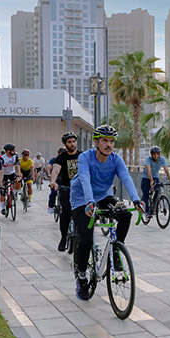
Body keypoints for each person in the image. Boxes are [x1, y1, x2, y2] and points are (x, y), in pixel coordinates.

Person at [69, 125, 142, 301]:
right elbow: (85, 179)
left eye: (111, 141)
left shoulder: (116, 160)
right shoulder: (85, 157)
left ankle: (117, 251)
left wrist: (136, 199)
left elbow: (125, 177)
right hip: (81, 198)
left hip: (104, 196)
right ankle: (81, 276)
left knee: (125, 214)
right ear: (96, 142)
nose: (109, 145)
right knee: (85, 239)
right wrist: (89, 202)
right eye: (104, 141)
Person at [50, 133, 81, 252]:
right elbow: (56, 170)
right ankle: (63, 237)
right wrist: (53, 182)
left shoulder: (82, 155)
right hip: (66, 188)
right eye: (69, 142)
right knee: (65, 212)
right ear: (65, 144)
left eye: (74, 141)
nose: (72, 144)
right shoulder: (61, 157)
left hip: (80, 190)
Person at [141, 146, 170, 218]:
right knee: (146, 194)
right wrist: (151, 180)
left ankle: (154, 206)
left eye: (157, 154)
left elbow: (166, 170)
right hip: (146, 178)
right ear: (151, 155)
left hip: (156, 177)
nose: (156, 156)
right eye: (154, 154)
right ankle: (147, 212)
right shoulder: (148, 160)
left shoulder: (162, 159)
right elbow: (148, 170)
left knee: (158, 190)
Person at [0, 143, 18, 215]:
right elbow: (0, 170)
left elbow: (17, 166)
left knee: (19, 181)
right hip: (4, 175)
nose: (14, 151)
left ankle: (14, 193)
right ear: (7, 151)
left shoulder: (15, 156)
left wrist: (18, 175)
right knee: (3, 192)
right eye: (12, 150)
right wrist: (1, 181)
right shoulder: (2, 158)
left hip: (12, 173)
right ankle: (3, 208)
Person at [47, 147, 66, 215]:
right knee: (53, 193)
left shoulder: (66, 160)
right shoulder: (54, 160)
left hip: (63, 179)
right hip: (55, 179)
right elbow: (48, 167)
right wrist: (49, 174)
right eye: (60, 153)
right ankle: (51, 206)